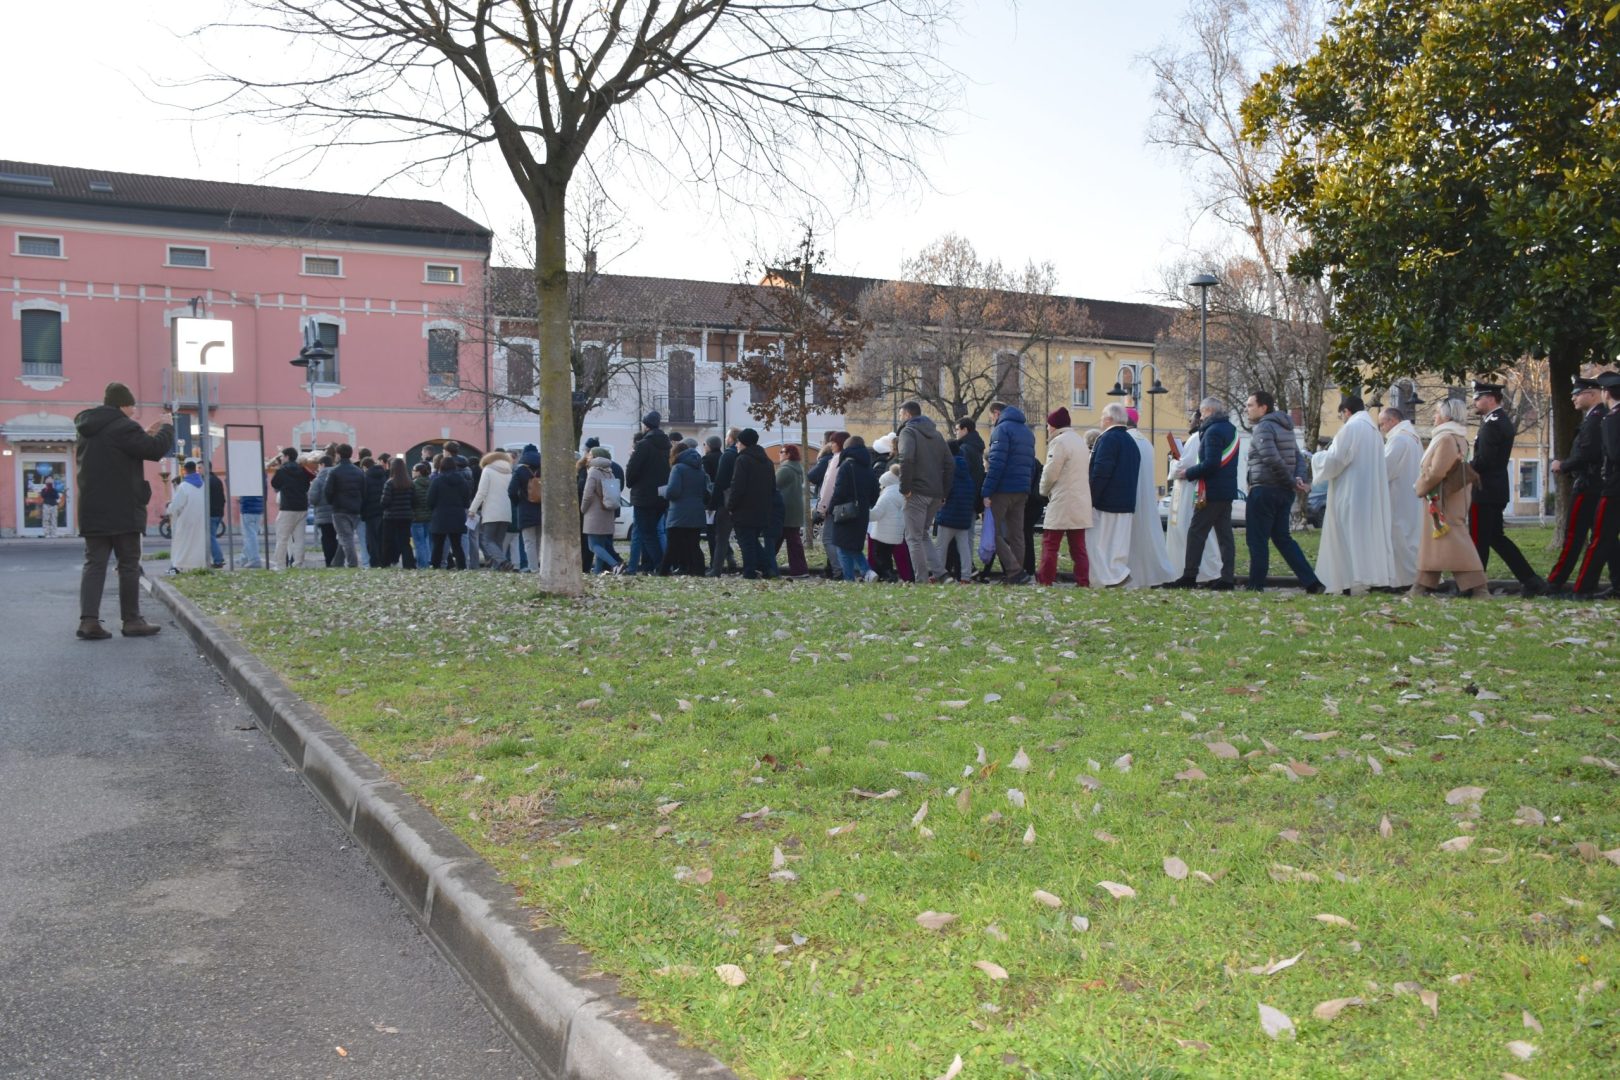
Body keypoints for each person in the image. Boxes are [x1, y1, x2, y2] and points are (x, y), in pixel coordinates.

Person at [74, 381, 173, 639]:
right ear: (124, 405)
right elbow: (154, 450)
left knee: (94, 564)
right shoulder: (124, 426)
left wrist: (143, 433)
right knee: (128, 565)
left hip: (92, 508)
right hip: (123, 510)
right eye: (133, 405)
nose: (134, 410)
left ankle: (88, 622)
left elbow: (121, 449)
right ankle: (132, 621)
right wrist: (167, 427)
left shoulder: (87, 428)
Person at [1309, 395, 1398, 594]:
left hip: (1350, 493)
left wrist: (1316, 457)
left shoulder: (1350, 428)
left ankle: (1350, 581)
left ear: (1346, 411)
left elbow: (1336, 459)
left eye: (1341, 415)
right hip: (1368, 494)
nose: (1342, 419)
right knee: (1365, 537)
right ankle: (1369, 578)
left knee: (1347, 537)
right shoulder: (1374, 432)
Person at [1469, 382, 1548, 595]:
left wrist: (1465, 469)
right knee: (1496, 538)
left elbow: (1484, 460)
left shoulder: (1493, 423)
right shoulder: (1497, 421)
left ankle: (1475, 585)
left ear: (1491, 398)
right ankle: (1530, 580)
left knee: (1478, 539)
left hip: (1484, 489)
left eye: (1478, 397)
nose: (1474, 402)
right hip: (1495, 488)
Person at [1243, 391, 1323, 593]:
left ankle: (1255, 585)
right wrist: (1298, 480)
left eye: (1250, 405)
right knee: (1282, 538)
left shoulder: (1264, 427)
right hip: (1283, 492)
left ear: (1263, 407)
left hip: (1264, 489)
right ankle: (1311, 582)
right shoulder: (1285, 427)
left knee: (1257, 539)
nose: (1247, 409)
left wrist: (1293, 481)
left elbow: (1270, 458)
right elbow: (1298, 458)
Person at [1410, 398, 1490, 598]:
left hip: (1442, 498)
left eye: (1437, 412)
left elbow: (1437, 472)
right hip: (1446, 497)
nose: (1434, 416)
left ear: (1446, 416)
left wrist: (1420, 486)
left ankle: (1479, 588)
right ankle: (1421, 586)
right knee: (1437, 542)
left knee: (1455, 540)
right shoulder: (1457, 436)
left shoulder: (1446, 438)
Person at [1168, 398, 1239, 590]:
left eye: (1201, 412)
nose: (1200, 417)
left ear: (1208, 410)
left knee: (1196, 532)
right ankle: (1227, 578)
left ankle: (1190, 576)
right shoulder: (1230, 430)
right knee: (1224, 536)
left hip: (1212, 490)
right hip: (1226, 490)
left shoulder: (1213, 432)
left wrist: (1188, 472)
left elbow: (1211, 464)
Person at [1547, 377, 1609, 592]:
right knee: (1605, 538)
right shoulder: (1598, 417)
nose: (1573, 397)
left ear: (1592, 394)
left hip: (1588, 484)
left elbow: (1587, 453)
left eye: (1577, 393)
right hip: (1595, 484)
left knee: (1574, 535)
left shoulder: (1596, 419)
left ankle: (1556, 581)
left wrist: (1563, 465)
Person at [1571, 371, 1620, 598]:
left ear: (1606, 393)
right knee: (1609, 539)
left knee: (1600, 538)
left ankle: (1583, 588)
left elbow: (1612, 454)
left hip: (1612, 487)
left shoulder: (1611, 419)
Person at [895, 401, 954, 584]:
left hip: (916, 491)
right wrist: (944, 492)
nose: (899, 418)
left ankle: (920, 580)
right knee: (923, 534)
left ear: (907, 414)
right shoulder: (936, 435)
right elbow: (950, 464)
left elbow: (906, 459)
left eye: (900, 414)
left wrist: (905, 488)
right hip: (935, 493)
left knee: (913, 537)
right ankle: (942, 574)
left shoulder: (908, 432)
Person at [1086, 402, 1141, 587]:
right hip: (1126, 501)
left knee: (1098, 543)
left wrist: (1092, 497)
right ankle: (1116, 575)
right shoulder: (1131, 441)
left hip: (1107, 501)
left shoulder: (1108, 439)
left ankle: (1111, 577)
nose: (1101, 420)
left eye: (1102, 416)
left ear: (1109, 419)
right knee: (1117, 546)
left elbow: (1101, 471)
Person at [1035, 407, 1091, 587]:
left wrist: (1042, 491)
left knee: (1051, 543)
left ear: (1054, 426)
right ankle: (1083, 581)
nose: (1047, 429)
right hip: (1080, 502)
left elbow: (1050, 473)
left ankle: (1046, 580)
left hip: (1062, 500)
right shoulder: (1079, 441)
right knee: (1078, 547)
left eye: (1048, 425)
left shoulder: (1059, 443)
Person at [981, 401, 1035, 584]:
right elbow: (1031, 464)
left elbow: (996, 463)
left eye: (991, 417)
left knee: (992, 531)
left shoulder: (1001, 430)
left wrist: (986, 491)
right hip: (1022, 489)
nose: (991, 421)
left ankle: (1014, 570)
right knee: (1017, 534)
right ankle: (1018, 574)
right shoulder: (1027, 432)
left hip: (1003, 489)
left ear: (996, 413)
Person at [1123, 408, 1176, 589]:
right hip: (1146, 496)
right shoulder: (1145, 442)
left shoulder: (1126, 440)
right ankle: (1150, 575)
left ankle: (1132, 576)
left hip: (1130, 495)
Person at [1166, 418, 1221, 584]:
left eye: (1191, 419)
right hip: (1187, 488)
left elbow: (1185, 465)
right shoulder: (1200, 437)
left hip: (1190, 489)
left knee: (1190, 530)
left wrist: (1173, 461)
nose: (1188, 422)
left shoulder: (1196, 437)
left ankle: (1205, 573)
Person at [1380, 406, 1425, 590]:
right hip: (1411, 495)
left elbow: (1385, 468)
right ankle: (1413, 578)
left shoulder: (1398, 439)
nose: (1381, 428)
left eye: (1382, 423)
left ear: (1393, 421)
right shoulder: (1413, 437)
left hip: (1398, 495)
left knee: (1399, 538)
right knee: (1410, 538)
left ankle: (1401, 580)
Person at [726, 428, 775, 579]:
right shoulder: (767, 461)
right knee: (753, 541)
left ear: (744, 443)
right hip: (762, 508)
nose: (737, 445)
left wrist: (730, 506)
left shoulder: (742, 460)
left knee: (746, 542)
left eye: (739, 442)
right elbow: (772, 486)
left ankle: (749, 571)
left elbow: (737, 486)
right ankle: (767, 569)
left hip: (744, 509)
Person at [625, 411, 671, 574]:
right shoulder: (666, 445)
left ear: (646, 426)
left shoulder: (643, 445)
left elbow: (632, 472)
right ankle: (656, 566)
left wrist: (631, 460)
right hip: (660, 497)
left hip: (643, 496)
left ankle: (661, 566)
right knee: (653, 532)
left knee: (647, 533)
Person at [829, 435, 879, 581]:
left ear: (847, 448)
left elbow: (839, 491)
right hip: (862, 511)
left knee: (842, 546)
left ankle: (855, 577)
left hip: (845, 511)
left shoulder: (846, 466)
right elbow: (875, 492)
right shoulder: (868, 467)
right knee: (853, 546)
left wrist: (831, 508)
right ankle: (867, 573)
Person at [659, 442, 710, 575]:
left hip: (679, 512)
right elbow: (705, 491)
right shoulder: (700, 469)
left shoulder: (678, 468)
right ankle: (698, 571)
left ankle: (663, 571)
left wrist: (663, 492)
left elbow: (673, 492)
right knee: (693, 544)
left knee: (672, 544)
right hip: (697, 511)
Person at [934, 440, 977, 582]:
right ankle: (966, 576)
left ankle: (938, 573)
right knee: (964, 547)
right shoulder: (965, 470)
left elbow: (944, 489)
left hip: (948, 514)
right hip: (963, 516)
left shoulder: (948, 468)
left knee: (941, 546)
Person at [808, 431, 849, 577]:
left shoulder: (835, 460)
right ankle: (848, 569)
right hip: (847, 505)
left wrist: (822, 507)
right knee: (842, 541)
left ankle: (839, 570)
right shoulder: (850, 459)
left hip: (833, 506)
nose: (830, 445)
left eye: (833, 442)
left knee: (827, 539)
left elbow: (828, 486)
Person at [468, 450, 515, 570]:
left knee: (487, 540)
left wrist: (472, 509)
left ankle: (503, 561)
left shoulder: (488, 470)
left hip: (491, 511)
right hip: (506, 511)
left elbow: (481, 492)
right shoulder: (509, 472)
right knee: (498, 541)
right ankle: (498, 567)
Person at [580, 447, 624, 574]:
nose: (588, 456)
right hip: (607, 512)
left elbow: (587, 494)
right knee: (601, 545)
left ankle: (615, 564)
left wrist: (583, 509)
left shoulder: (593, 472)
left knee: (593, 545)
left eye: (590, 454)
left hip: (594, 513)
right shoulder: (610, 471)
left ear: (595, 457)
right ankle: (597, 572)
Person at [706, 428, 740, 575]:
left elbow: (720, 481)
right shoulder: (740, 455)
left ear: (732, 439)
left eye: (727, 436)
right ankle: (762, 566)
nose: (726, 438)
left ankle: (716, 569)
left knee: (721, 536)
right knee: (745, 537)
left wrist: (712, 504)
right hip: (741, 501)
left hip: (724, 502)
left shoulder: (727, 456)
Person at [270, 447, 311, 570]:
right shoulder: (302, 469)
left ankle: (280, 565)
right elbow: (306, 486)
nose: (281, 458)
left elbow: (274, 484)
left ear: (287, 457)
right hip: (302, 507)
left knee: (282, 537)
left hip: (287, 507)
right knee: (299, 538)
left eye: (282, 456)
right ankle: (298, 563)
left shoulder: (282, 470)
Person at [324, 444, 365, 568]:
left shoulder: (334, 471)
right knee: (345, 536)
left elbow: (327, 491)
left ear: (338, 455)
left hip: (340, 509)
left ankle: (353, 564)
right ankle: (336, 563)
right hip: (355, 509)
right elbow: (364, 490)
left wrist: (332, 502)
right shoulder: (359, 471)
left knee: (346, 538)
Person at [427, 454, 470, 569]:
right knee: (457, 544)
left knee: (438, 545)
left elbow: (430, 500)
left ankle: (436, 566)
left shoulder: (437, 481)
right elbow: (467, 501)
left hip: (440, 515)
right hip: (457, 516)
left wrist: (435, 509)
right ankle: (462, 567)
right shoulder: (462, 481)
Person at [867, 465, 907, 581]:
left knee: (878, 555)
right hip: (895, 533)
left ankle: (889, 576)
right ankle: (887, 576)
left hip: (883, 533)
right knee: (887, 555)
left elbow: (876, 514)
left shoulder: (886, 496)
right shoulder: (900, 493)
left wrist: (865, 513)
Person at [168, 461, 210, 572]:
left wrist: (169, 507)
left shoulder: (184, 486)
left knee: (183, 542)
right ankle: (198, 565)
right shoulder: (203, 484)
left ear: (185, 470)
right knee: (198, 542)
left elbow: (177, 505)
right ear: (195, 469)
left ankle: (179, 565)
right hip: (200, 518)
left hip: (186, 519)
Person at [775, 445, 810, 576]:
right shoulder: (797, 468)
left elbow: (773, 485)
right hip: (794, 510)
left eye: (782, 452)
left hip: (785, 510)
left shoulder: (785, 469)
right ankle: (799, 569)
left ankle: (764, 566)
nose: (779, 454)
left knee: (777, 540)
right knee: (793, 541)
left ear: (789, 454)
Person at [508, 444, 542, 573]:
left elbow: (511, 491)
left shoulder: (520, 470)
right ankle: (539, 566)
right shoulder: (544, 468)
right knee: (539, 540)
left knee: (529, 541)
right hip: (542, 509)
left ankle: (533, 568)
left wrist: (518, 503)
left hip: (525, 509)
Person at [379, 457, 418, 568]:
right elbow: (414, 501)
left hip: (391, 516)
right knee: (405, 541)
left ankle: (385, 563)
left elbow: (385, 501)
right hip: (406, 516)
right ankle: (409, 564)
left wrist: (384, 506)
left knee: (388, 541)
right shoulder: (410, 483)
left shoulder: (390, 483)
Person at [308, 454, 338, 566]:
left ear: (322, 465)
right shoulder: (337, 476)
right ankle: (338, 561)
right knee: (337, 538)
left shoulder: (318, 480)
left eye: (318, 466)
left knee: (327, 539)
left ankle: (329, 562)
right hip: (337, 512)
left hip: (323, 516)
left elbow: (313, 499)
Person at [206, 465, 226, 568]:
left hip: (211, 513)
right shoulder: (217, 479)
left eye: (200, 468)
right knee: (211, 537)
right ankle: (217, 559)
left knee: (210, 537)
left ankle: (218, 559)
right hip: (218, 512)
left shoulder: (207, 481)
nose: (198, 470)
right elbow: (223, 498)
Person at [237, 491, 265, 568]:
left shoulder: (247, 480)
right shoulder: (261, 479)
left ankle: (255, 559)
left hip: (247, 508)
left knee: (249, 536)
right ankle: (244, 558)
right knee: (252, 535)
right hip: (259, 508)